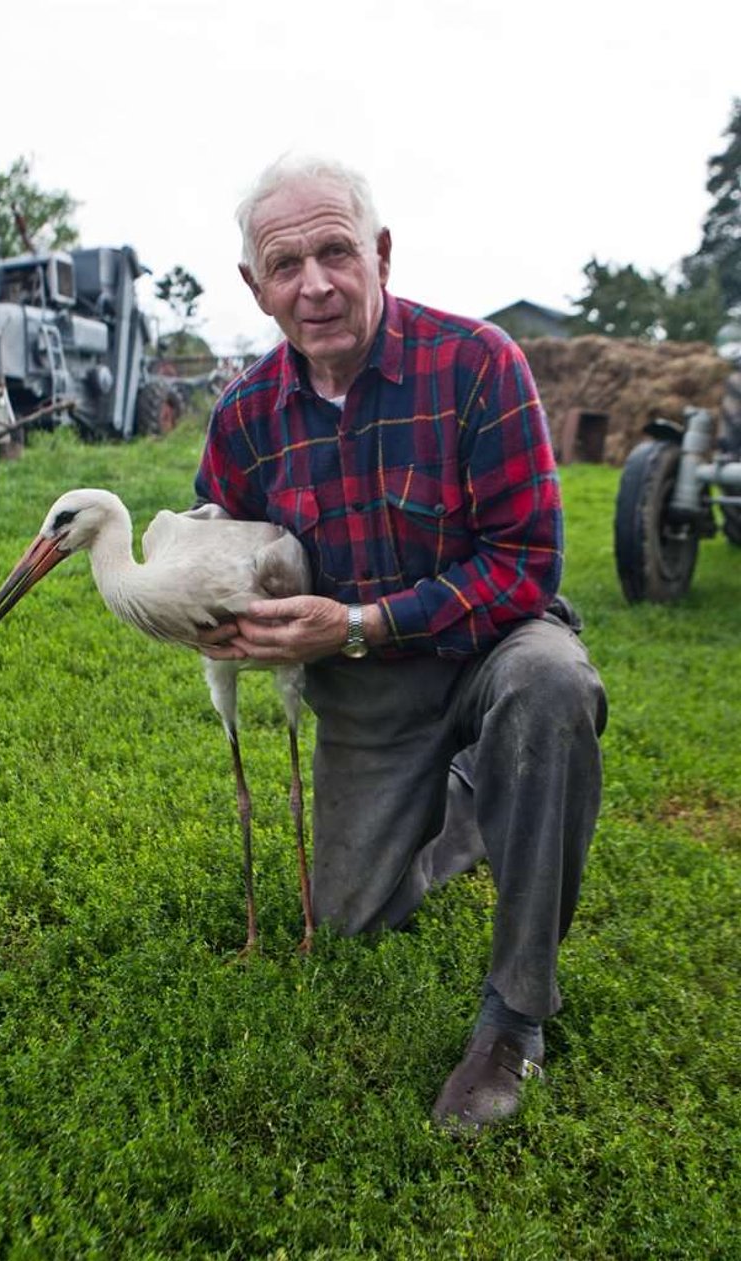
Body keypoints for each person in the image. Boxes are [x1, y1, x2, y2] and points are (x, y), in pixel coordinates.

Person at [193, 156, 607, 1133]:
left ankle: (515, 1020)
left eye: (336, 251)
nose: (317, 284)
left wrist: (365, 622)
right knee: (350, 918)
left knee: (550, 688)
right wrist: (214, 606)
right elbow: (232, 546)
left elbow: (526, 565)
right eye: (286, 264)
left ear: (380, 253)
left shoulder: (478, 364)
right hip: (367, 692)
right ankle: (471, 797)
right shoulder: (245, 419)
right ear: (255, 287)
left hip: (493, 645)